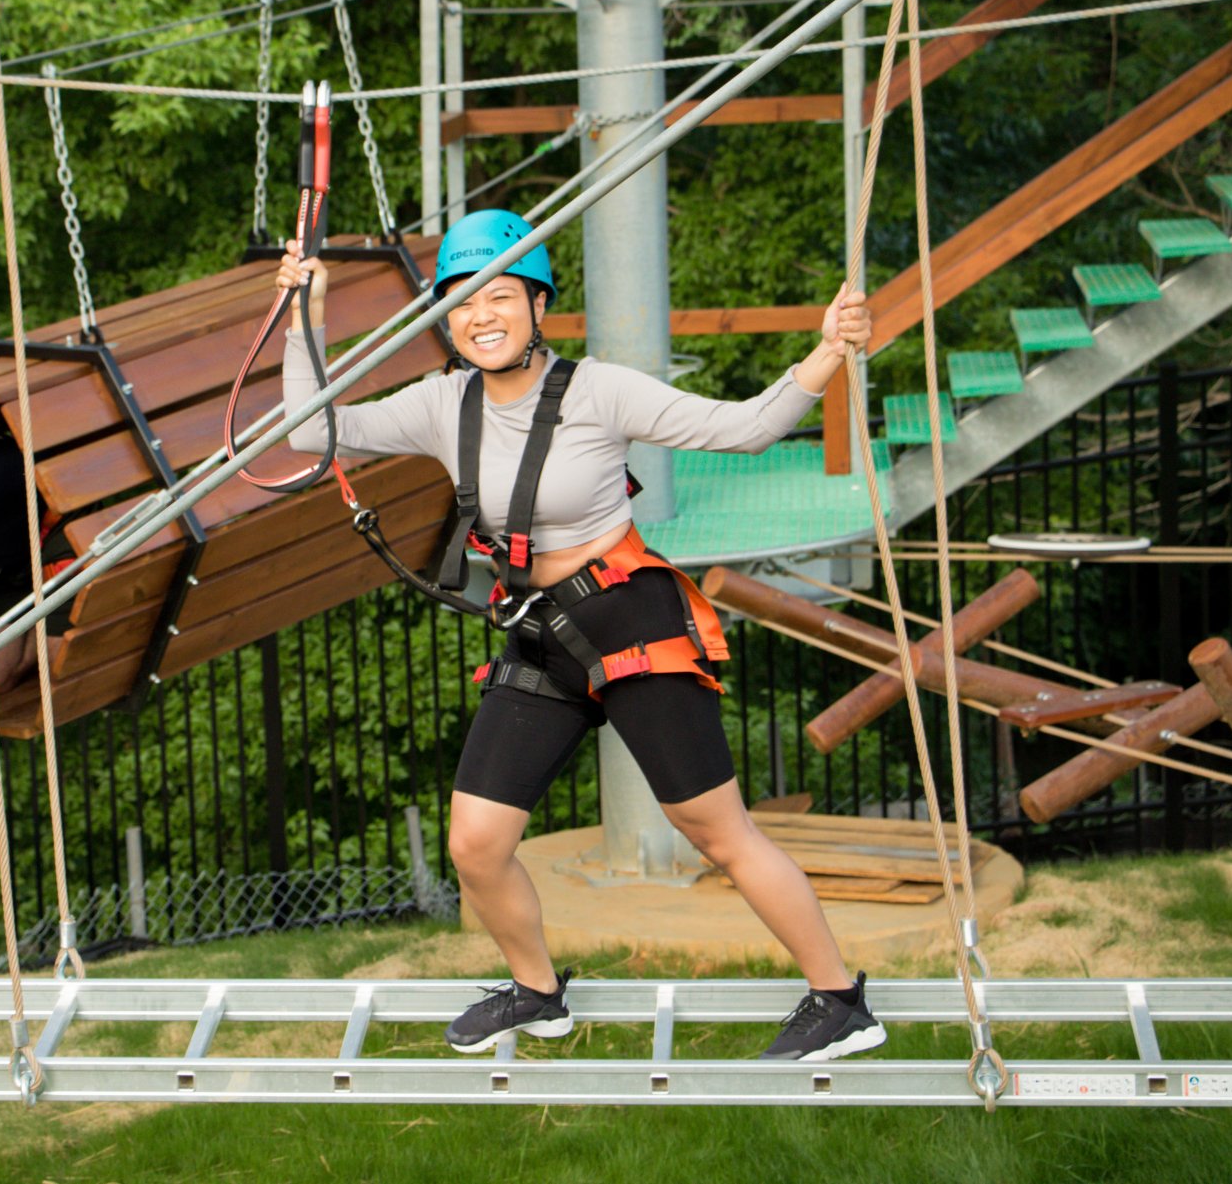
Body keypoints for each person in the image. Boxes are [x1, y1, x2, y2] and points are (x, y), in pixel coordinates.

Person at [278, 209, 884, 1063]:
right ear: (444, 322)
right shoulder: (441, 404)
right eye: (461, 303)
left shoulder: (599, 390)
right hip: (540, 634)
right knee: (476, 844)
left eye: (499, 297)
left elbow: (743, 429)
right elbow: (310, 432)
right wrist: (307, 320)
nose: (481, 316)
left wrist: (828, 351)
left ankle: (839, 998)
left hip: (626, 614)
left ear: (537, 305)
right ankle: (538, 993)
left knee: (714, 829)